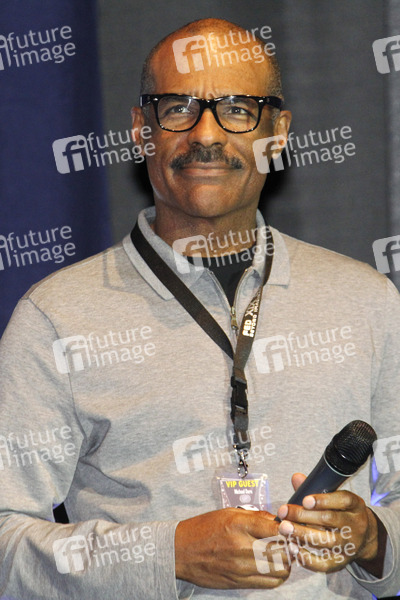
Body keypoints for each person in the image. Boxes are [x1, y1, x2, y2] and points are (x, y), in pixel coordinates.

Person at [0, 17, 399, 600]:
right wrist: (172, 555)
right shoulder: (56, 318)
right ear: (142, 130)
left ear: (278, 133)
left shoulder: (368, 301)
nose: (205, 134)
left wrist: (373, 538)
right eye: (178, 108)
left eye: (237, 109)